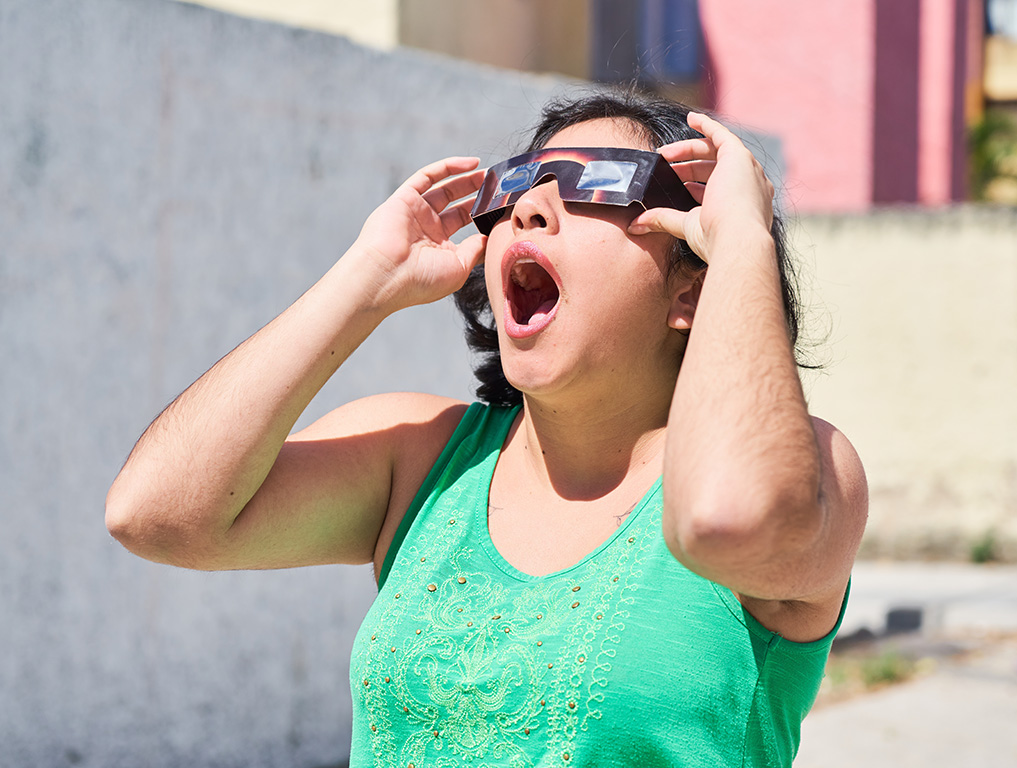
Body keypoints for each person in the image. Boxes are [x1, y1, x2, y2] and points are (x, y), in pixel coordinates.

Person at [106, 89, 868, 767]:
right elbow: (157, 515)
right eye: (516, 190)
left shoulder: (814, 470)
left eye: (597, 185)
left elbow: (727, 521)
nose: (530, 208)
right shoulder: (421, 460)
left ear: (689, 285)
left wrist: (744, 246)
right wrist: (364, 280)